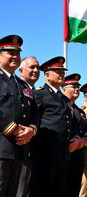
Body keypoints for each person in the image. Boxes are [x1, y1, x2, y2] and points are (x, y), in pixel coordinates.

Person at [29, 56, 79, 197]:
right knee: (42, 190)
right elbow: (33, 119)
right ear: (47, 75)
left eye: (62, 72)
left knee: (59, 191)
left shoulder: (64, 99)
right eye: (58, 71)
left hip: (64, 153)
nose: (61, 74)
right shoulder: (39, 94)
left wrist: (75, 137)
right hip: (45, 152)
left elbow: (71, 122)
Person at [0, 35, 38, 197]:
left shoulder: (22, 84)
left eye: (17, 53)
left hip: (19, 151)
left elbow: (35, 111)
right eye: (10, 52)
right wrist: (13, 129)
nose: (15, 56)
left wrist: (32, 130)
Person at [62, 73, 87, 197]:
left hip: (78, 156)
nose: (76, 89)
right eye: (73, 86)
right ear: (63, 89)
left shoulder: (80, 111)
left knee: (74, 190)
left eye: (77, 87)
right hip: (64, 154)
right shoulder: (60, 105)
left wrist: (83, 140)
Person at [16, 57, 40, 197]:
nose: (36, 70)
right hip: (15, 145)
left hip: (31, 150)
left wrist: (33, 130)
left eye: (37, 67)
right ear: (21, 70)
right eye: (32, 67)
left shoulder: (32, 91)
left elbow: (36, 117)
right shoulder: (15, 85)